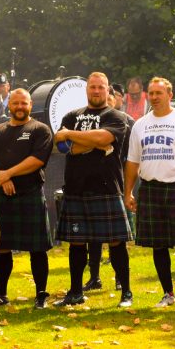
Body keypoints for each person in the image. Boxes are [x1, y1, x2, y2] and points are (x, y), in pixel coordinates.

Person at [53, 71, 134, 308]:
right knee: (77, 243)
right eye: (92, 87)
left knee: (116, 242)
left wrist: (72, 136)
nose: (96, 91)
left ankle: (126, 293)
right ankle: (75, 293)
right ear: (87, 89)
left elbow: (104, 138)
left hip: (106, 186)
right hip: (76, 188)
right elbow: (62, 146)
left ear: (108, 90)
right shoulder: (72, 115)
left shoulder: (116, 116)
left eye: (101, 87)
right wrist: (92, 143)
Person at [125, 77, 175, 312]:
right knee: (158, 245)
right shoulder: (140, 125)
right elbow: (132, 161)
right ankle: (168, 293)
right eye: (151, 93)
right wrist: (128, 192)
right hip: (150, 189)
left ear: (170, 95)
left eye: (159, 93)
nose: (154, 97)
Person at [0, 89, 54, 309]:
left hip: (30, 193)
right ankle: (1, 293)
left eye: (24, 103)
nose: (20, 107)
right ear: (9, 105)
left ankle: (41, 295)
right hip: (2, 195)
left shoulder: (40, 129)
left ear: (30, 105)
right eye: (15, 103)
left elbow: (37, 160)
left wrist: (7, 174)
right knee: (1, 246)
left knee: (37, 248)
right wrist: (0, 178)